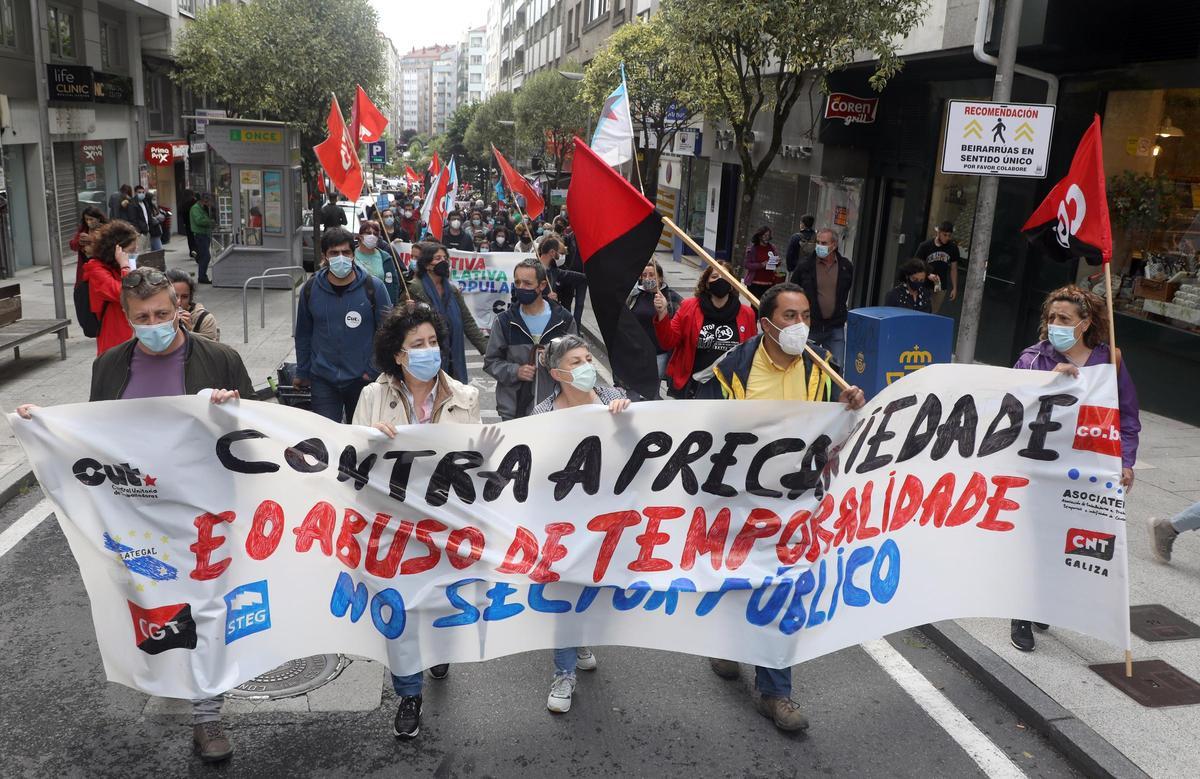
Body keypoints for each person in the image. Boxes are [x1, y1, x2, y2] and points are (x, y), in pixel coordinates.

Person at [16, 268, 254, 764]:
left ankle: (207, 717)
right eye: (143, 317)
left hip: (203, 513)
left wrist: (233, 410)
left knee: (209, 607)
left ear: (179, 310)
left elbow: (253, 432)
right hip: (136, 514)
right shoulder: (109, 366)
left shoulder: (219, 360)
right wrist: (42, 424)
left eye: (164, 314)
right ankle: (168, 676)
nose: (155, 323)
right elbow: (93, 434)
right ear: (127, 318)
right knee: (153, 604)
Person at [698, 282, 864, 732]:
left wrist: (850, 404)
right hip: (736, 502)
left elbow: (837, 427)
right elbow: (698, 432)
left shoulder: (822, 368)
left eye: (806, 315)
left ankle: (776, 692)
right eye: (790, 317)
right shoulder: (731, 369)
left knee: (784, 589)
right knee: (735, 581)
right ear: (764, 322)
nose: (801, 326)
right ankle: (727, 644)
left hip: (794, 504)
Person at [351, 305, 476, 739]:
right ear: (399, 356)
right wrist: (368, 440)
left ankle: (439, 650)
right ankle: (409, 692)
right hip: (391, 526)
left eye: (432, 342)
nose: (428, 351)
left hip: (444, 524)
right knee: (399, 610)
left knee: (440, 602)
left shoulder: (465, 396)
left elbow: (476, 467)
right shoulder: (373, 397)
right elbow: (351, 465)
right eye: (417, 345)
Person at [1010, 284, 1140, 652]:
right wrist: (1050, 383)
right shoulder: (1033, 360)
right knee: (1033, 541)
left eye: (1064, 318)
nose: (1055, 324)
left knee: (1065, 541)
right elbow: (1013, 410)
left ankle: (1047, 602)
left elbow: (1127, 417)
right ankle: (1021, 612)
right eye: (1051, 318)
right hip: (1037, 469)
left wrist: (1125, 461)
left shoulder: (1108, 362)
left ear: (1084, 323)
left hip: (1084, 471)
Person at [531, 334, 629, 712]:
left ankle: (581, 637)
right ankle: (564, 672)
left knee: (594, 587)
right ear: (556, 373)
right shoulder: (543, 416)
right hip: (564, 523)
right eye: (576, 362)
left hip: (608, 518)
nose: (587, 365)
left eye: (588, 357)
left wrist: (628, 418)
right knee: (565, 591)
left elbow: (646, 450)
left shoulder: (613, 400)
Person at [294, 226, 391, 423]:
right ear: (325, 256)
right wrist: (303, 371)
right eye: (334, 253)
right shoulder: (310, 289)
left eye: (345, 252)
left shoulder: (374, 288)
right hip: (323, 380)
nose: (341, 257)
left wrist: (372, 370)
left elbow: (388, 334)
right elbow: (303, 333)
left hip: (363, 380)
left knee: (363, 439)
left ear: (353, 254)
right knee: (326, 440)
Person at [484, 258, 577, 420]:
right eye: (517, 282)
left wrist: (553, 361)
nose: (521, 288)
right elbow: (491, 362)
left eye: (527, 283)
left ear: (541, 286)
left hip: (555, 410)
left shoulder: (564, 320)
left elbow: (577, 363)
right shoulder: (504, 321)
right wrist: (516, 371)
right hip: (514, 411)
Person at [654, 263, 757, 399]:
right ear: (707, 283)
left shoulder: (747, 313)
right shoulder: (689, 307)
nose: (720, 280)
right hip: (694, 388)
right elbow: (668, 342)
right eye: (715, 276)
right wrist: (662, 314)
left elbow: (751, 353)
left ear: (733, 284)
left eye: (726, 276)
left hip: (730, 389)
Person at [402, 242, 487, 384]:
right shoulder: (414, 290)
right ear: (428, 265)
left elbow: (467, 322)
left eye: (445, 258)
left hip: (454, 360)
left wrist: (486, 351)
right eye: (437, 258)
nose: (443, 261)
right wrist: (407, 311)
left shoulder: (453, 291)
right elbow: (400, 324)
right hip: (427, 359)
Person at [789, 228, 853, 370]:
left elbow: (845, 292)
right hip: (811, 326)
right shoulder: (805, 266)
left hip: (835, 327)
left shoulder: (845, 267)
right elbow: (791, 291)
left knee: (836, 368)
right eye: (818, 242)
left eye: (824, 243)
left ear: (834, 245)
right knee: (804, 367)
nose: (819, 246)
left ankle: (833, 393)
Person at [80, 220, 138, 355]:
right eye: (130, 251)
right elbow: (125, 293)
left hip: (131, 332)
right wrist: (125, 266)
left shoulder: (117, 267)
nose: (133, 256)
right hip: (114, 339)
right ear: (117, 250)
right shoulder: (96, 270)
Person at [627, 260, 683, 382]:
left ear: (660, 278)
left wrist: (664, 310)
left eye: (652, 275)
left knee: (651, 391)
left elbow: (680, 323)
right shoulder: (634, 295)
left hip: (659, 354)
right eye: (644, 275)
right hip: (636, 352)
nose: (648, 278)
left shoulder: (671, 297)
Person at [914, 221, 961, 313]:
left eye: (949, 235)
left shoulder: (953, 248)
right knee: (921, 311)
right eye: (945, 235)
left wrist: (955, 288)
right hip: (924, 284)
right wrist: (927, 275)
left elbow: (954, 268)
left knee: (933, 313)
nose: (947, 238)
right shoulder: (925, 246)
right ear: (938, 233)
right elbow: (916, 265)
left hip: (940, 285)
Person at [355, 221, 403, 304]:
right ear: (360, 236)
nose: (372, 236)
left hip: (381, 305)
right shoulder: (351, 255)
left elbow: (394, 284)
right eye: (368, 233)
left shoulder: (385, 257)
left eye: (375, 234)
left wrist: (392, 305)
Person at [166, 268, 219, 341]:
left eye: (184, 297)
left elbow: (212, 350)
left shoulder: (204, 319)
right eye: (174, 296)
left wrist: (189, 333)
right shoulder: (153, 317)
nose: (179, 302)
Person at [537, 236, 586, 306]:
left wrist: (589, 276)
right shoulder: (533, 270)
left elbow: (570, 275)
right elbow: (528, 293)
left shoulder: (553, 270)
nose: (562, 257)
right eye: (561, 253)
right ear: (552, 252)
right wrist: (545, 299)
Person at [743, 226, 782, 302]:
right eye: (765, 235)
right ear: (759, 236)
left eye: (768, 235)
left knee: (766, 307)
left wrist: (778, 262)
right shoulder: (753, 249)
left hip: (769, 284)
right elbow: (747, 265)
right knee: (756, 307)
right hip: (755, 284)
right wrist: (761, 265)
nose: (767, 238)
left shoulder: (772, 248)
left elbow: (775, 264)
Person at [71, 207, 107, 281]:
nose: (88, 222)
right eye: (86, 219)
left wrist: (92, 239)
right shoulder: (83, 230)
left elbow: (109, 245)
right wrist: (79, 242)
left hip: (101, 267)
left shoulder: (106, 229)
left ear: (98, 219)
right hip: (85, 266)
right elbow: (72, 244)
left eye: (91, 219)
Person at [123, 184, 164, 252]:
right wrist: (137, 231)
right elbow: (133, 219)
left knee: (145, 252)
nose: (141, 194)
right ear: (135, 193)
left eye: (143, 192)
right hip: (140, 233)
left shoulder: (145, 203)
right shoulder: (132, 204)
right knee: (140, 252)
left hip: (147, 231)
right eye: (139, 192)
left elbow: (147, 216)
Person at [190, 193, 215, 284]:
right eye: (210, 201)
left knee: (204, 256)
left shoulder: (202, 208)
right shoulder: (196, 208)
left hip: (204, 234)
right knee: (205, 256)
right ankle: (202, 277)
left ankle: (202, 276)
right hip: (200, 234)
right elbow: (199, 221)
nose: (211, 203)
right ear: (205, 200)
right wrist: (210, 222)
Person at [179, 189, 198, 258]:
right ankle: (195, 250)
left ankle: (191, 251)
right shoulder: (194, 202)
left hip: (187, 223)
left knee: (190, 238)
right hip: (194, 223)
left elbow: (181, 213)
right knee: (195, 237)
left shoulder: (182, 202)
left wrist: (184, 222)